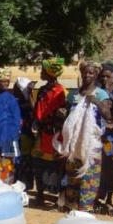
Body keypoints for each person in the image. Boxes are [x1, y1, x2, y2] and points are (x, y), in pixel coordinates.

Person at [61, 61, 113, 213]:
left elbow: (108, 115)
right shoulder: (73, 94)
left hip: (91, 143)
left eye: (91, 73)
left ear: (96, 75)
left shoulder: (100, 94)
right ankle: (71, 208)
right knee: (73, 176)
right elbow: (68, 115)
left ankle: (86, 209)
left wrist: (96, 101)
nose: (87, 75)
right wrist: (62, 113)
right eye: (85, 72)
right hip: (74, 143)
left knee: (89, 176)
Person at [31, 58, 68, 207]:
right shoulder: (42, 90)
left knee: (56, 164)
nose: (40, 72)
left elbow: (61, 113)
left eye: (43, 70)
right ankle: (40, 193)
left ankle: (60, 195)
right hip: (42, 131)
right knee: (39, 162)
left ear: (49, 72)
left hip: (54, 133)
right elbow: (38, 111)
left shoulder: (60, 91)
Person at [96, 63, 113, 210]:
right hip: (97, 133)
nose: (105, 79)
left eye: (109, 76)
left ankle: (109, 198)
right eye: (103, 76)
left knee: (110, 165)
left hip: (111, 135)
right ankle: (96, 196)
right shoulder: (96, 92)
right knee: (98, 165)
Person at [14, 77, 37, 189]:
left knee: (26, 160)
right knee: (18, 160)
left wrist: (30, 93)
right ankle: (18, 183)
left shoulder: (29, 101)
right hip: (17, 135)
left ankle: (26, 184)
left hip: (27, 135)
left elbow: (35, 111)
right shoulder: (14, 101)